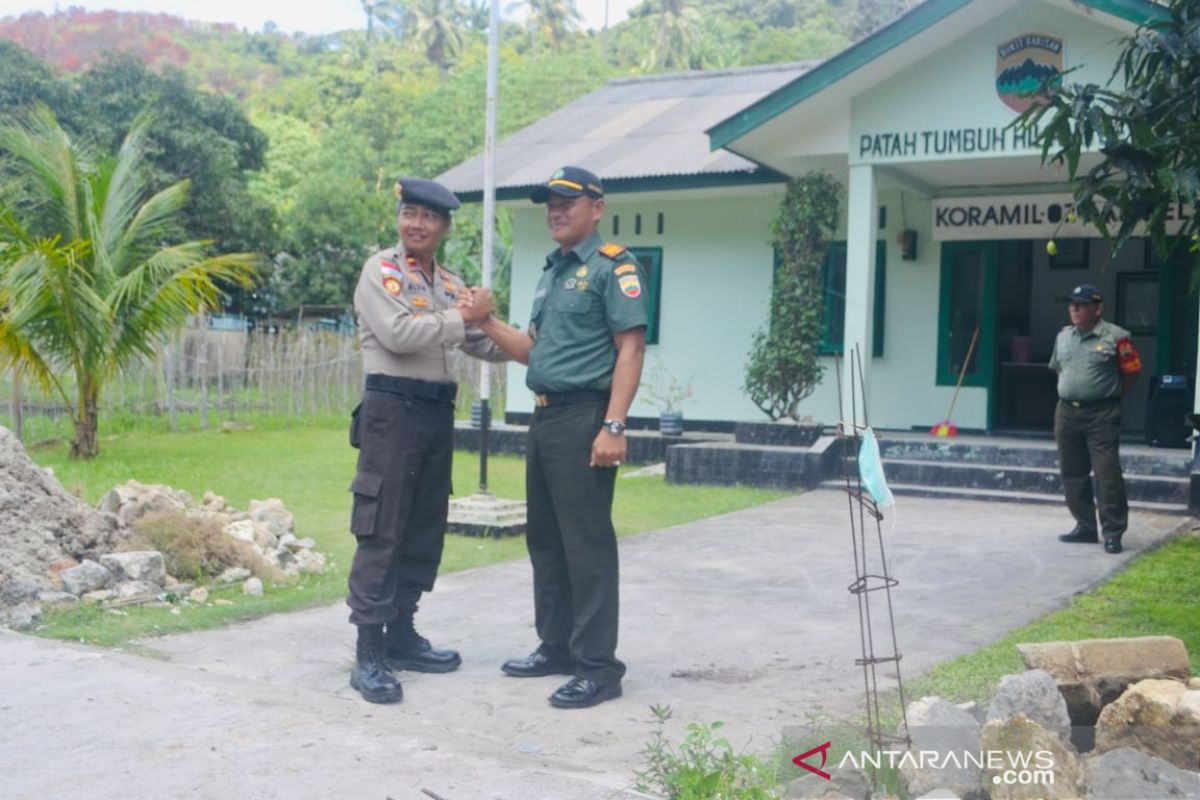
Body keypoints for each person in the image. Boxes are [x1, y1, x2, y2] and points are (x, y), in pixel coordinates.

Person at [476, 166, 648, 709]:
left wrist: (614, 424)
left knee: (587, 544)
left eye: (567, 202)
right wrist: (484, 320)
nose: (555, 210)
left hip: (586, 418)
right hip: (545, 417)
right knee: (546, 540)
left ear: (597, 207)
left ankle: (599, 667)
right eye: (550, 203)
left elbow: (631, 348)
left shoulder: (612, 267)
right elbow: (532, 351)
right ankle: (556, 646)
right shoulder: (551, 272)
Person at [347, 177, 504, 704]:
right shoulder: (382, 272)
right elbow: (397, 333)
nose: (416, 224)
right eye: (409, 213)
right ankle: (368, 652)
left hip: (436, 413)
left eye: (428, 217)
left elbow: (482, 339)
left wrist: (530, 339)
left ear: (444, 227)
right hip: (392, 411)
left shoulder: (448, 282)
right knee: (381, 525)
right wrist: (464, 316)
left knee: (422, 526)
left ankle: (403, 635)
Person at [1049, 283, 1142, 555]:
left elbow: (1132, 371)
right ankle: (1085, 526)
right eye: (1072, 304)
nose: (1074, 309)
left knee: (1107, 473)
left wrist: (1110, 398)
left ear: (1097, 308)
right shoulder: (1063, 337)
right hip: (1067, 411)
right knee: (1072, 471)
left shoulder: (1117, 337)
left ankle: (1113, 532)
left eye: (1081, 305)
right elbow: (1059, 370)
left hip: (1102, 413)